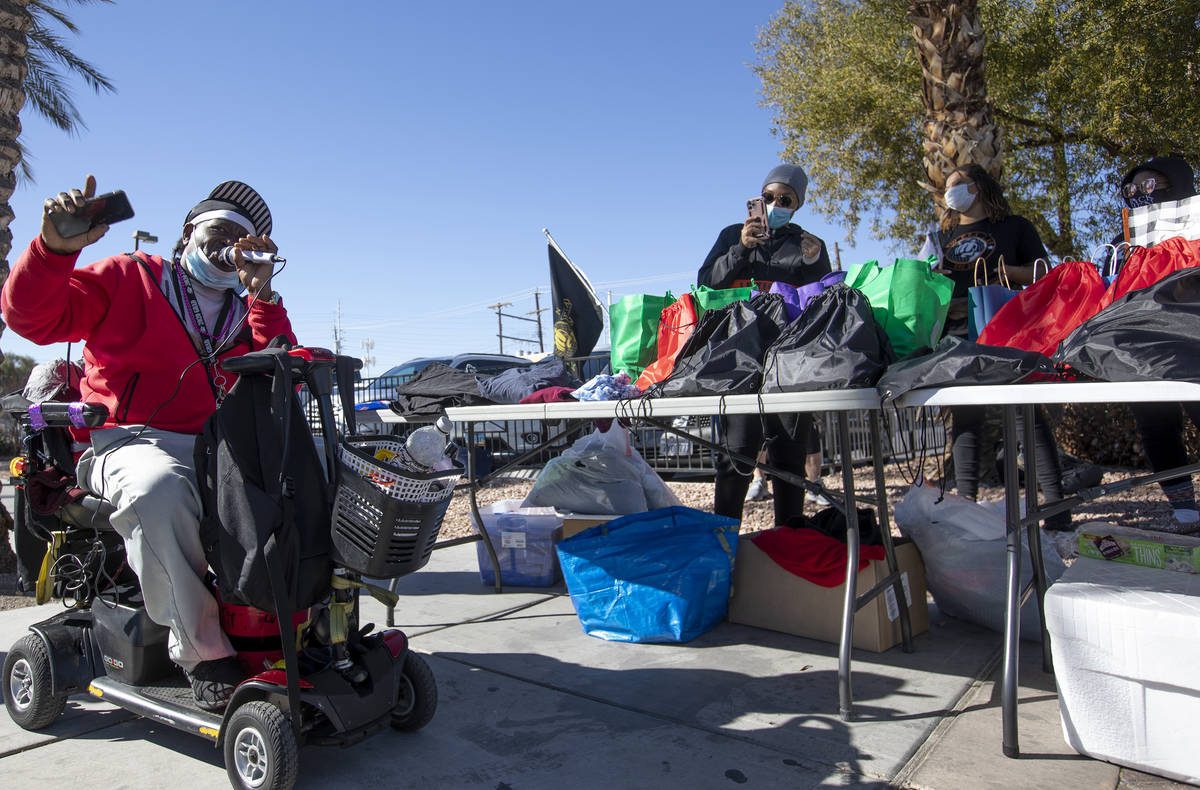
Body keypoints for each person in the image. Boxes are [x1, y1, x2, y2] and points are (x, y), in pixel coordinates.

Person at [0, 175, 294, 709]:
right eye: (219, 229)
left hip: (219, 444)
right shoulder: (129, 275)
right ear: (188, 234)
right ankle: (204, 652)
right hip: (130, 440)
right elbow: (32, 319)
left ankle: (294, 624)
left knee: (314, 470)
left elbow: (281, 365)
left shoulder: (244, 304)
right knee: (157, 489)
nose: (230, 242)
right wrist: (52, 252)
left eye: (243, 237)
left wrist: (262, 293)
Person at [935, 164, 1071, 529]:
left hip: (1011, 327)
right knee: (965, 416)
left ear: (979, 187)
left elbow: (1045, 271)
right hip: (960, 332)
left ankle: (1056, 509)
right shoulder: (942, 236)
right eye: (948, 187)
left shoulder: (1015, 227)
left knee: (1025, 412)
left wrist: (1010, 273)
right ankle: (966, 506)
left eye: (958, 185)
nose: (951, 193)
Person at [698, 163, 831, 524]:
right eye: (768, 196)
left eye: (784, 198)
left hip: (790, 358)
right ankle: (726, 542)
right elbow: (707, 284)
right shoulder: (732, 235)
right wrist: (741, 249)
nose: (775, 203)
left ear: (798, 203)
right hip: (739, 358)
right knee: (737, 454)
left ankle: (788, 539)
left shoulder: (807, 243)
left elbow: (824, 298)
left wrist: (815, 263)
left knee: (789, 453)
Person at [1114, 157, 1200, 531]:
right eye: (1133, 191)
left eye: (1149, 187)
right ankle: (1185, 510)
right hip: (1145, 348)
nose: (1141, 197)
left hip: (1194, 343)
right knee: (1156, 425)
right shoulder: (1125, 242)